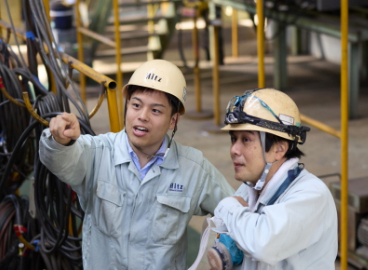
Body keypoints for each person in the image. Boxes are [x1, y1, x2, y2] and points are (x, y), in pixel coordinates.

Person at [39, 59, 234, 269]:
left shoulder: (193, 169)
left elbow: (236, 214)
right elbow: (60, 159)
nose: (142, 116)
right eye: (136, 105)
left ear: (173, 121)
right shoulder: (98, 153)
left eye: (156, 111)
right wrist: (60, 140)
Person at [207, 88, 338, 269]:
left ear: (279, 149)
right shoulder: (249, 188)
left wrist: (229, 208)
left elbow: (262, 243)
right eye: (233, 138)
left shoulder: (312, 195)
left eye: (246, 140)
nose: (234, 150)